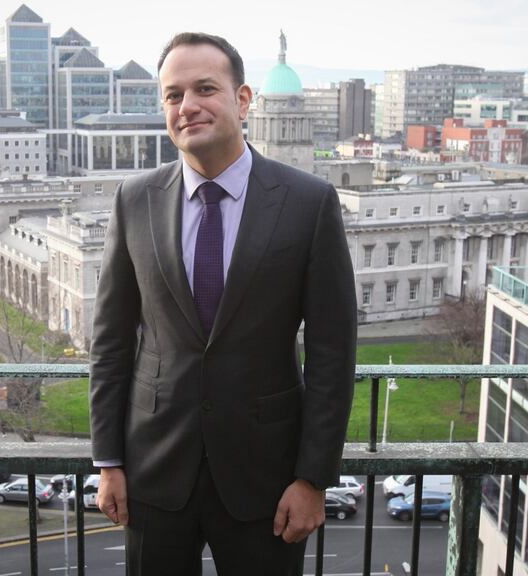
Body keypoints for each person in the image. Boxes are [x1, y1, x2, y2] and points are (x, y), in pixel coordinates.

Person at [89, 31, 357, 575]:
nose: (187, 106)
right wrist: (109, 461)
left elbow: (332, 353)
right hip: (154, 474)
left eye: (205, 88)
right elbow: (112, 341)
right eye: (172, 94)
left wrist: (313, 479)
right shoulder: (133, 199)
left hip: (269, 482)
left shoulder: (309, 202)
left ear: (242, 99)